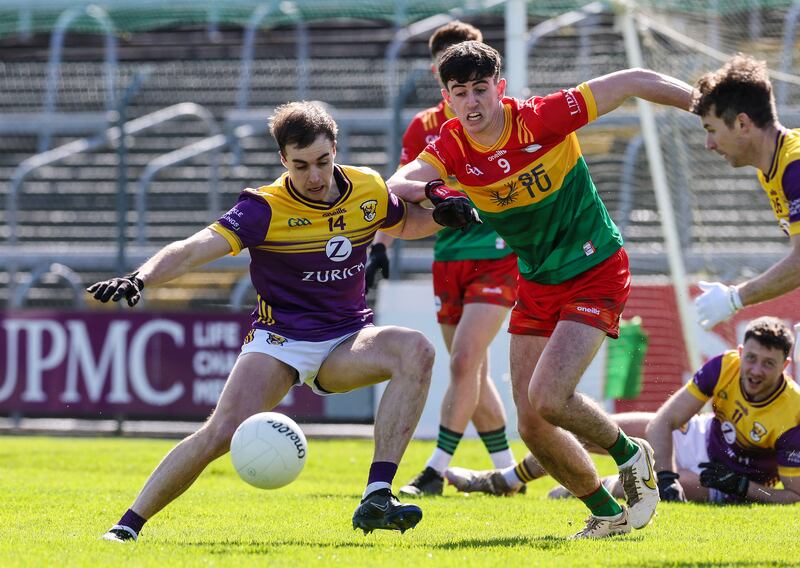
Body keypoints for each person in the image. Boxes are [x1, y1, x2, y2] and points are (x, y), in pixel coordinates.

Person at [89, 101, 476, 542]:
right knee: (219, 434)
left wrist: (443, 220)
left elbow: (405, 223)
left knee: (417, 350)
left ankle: (377, 495)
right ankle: (127, 526)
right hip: (279, 342)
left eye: (323, 162)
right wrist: (142, 277)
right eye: (301, 165)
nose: (314, 177)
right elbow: (196, 247)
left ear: (335, 148)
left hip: (347, 339)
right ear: (282, 160)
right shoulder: (263, 208)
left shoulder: (367, 187)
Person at [387, 40, 696, 538]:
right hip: (537, 279)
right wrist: (436, 193)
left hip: (594, 266)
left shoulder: (540, 118)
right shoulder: (450, 145)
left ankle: (630, 455)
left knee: (550, 395)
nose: (472, 103)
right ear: (447, 97)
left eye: (480, 90)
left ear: (499, 88)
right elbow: (399, 180)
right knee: (531, 423)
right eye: (459, 92)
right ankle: (607, 513)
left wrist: (701, 101)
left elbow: (634, 79)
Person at [367, 21, 521, 498]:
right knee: (467, 370)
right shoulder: (424, 128)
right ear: (441, 74)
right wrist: (379, 245)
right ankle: (505, 473)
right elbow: (400, 195)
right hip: (448, 255)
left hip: (497, 254)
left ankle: (434, 469)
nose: (470, 82)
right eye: (456, 66)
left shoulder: (503, 117)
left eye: (479, 73)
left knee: (464, 363)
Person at [448, 317, 800, 505]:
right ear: (741, 350)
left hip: (730, 481)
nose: (754, 370)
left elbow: (793, 496)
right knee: (585, 431)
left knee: (643, 487)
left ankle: (592, 487)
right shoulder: (726, 365)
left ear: (785, 365)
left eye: (768, 364)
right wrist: (666, 476)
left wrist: (743, 487)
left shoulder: (793, 412)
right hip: (697, 438)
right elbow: (667, 420)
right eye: (751, 358)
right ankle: (505, 480)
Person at [693, 55, 800, 330]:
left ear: (742, 124)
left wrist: (734, 298)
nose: (709, 144)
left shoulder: (795, 166)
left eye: (711, 130)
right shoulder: (775, 169)